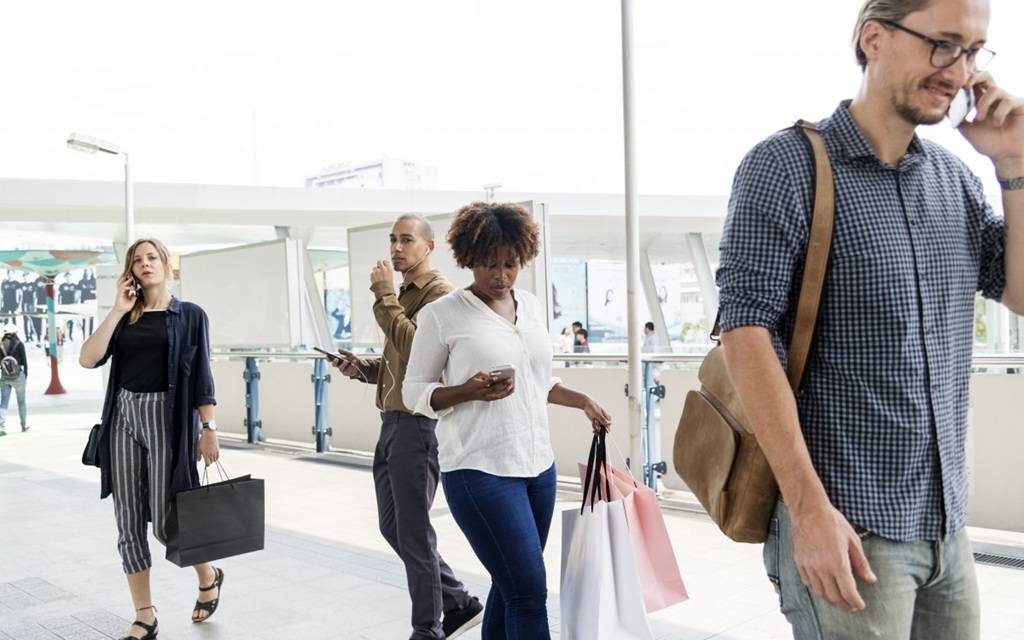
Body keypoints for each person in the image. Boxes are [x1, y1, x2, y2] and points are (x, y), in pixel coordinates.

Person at [716, 1, 1024, 638]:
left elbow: (1019, 295)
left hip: (946, 523)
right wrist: (808, 511)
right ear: (874, 39)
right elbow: (746, 334)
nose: (960, 71)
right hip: (847, 521)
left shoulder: (956, 180)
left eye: (973, 51)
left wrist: (1014, 170)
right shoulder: (785, 167)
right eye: (943, 44)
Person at [403, 201, 613, 639]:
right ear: (468, 258)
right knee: (529, 593)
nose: (500, 274)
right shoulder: (442, 315)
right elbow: (414, 393)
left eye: (510, 264)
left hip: (538, 467)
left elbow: (539, 381)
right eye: (488, 264)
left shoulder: (531, 307)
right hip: (480, 470)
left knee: (511, 583)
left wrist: (583, 401)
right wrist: (469, 389)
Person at [329, 213, 483, 640]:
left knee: (414, 532)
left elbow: (421, 349)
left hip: (418, 427)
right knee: (393, 526)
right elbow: (403, 364)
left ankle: (427, 629)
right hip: (392, 423)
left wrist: (383, 297)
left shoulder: (439, 296)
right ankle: (459, 601)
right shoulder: (405, 295)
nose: (396, 248)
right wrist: (361, 368)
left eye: (407, 240)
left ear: (429, 247)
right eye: (393, 240)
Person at [79, 238, 224, 640]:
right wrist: (116, 309)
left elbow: (202, 376)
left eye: (152, 257)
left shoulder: (190, 315)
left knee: (165, 522)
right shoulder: (125, 316)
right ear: (130, 272)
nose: (145, 264)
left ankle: (209, 575)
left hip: (167, 420)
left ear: (167, 266)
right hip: (124, 417)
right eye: (137, 260)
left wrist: (208, 428)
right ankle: (145, 613)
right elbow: (88, 359)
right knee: (127, 522)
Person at [0, 324, 29, 435]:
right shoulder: (19, 344)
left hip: (5, 377)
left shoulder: (1, 344)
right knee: (21, 402)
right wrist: (25, 374)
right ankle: (24, 425)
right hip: (18, 376)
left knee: (3, 402)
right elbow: (24, 361)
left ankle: (2, 427)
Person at [58, 272, 81, 341]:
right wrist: (59, 305)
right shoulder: (62, 286)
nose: (68, 278)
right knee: (65, 321)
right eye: (66, 277)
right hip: (64, 305)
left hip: (72, 306)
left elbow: (77, 296)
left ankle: (70, 335)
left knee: (71, 321)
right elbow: (59, 296)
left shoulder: (74, 285)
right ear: (65, 278)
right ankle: (65, 335)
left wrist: (77, 305)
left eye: (69, 276)